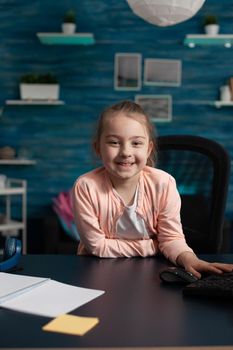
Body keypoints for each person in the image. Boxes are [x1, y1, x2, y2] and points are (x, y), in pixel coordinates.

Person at [72, 100, 233, 278]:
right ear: (98, 148)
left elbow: (171, 239)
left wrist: (190, 259)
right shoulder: (86, 186)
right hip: (99, 270)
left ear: (148, 149)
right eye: (114, 142)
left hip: (153, 272)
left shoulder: (163, 184)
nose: (126, 152)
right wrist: (154, 246)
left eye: (136, 143)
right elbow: (96, 246)